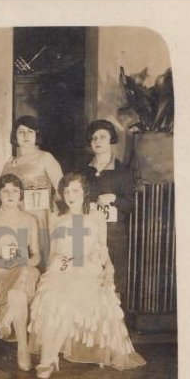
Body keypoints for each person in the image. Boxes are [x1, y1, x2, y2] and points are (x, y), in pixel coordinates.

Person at [28, 173, 145, 378]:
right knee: (50, 301)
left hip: (87, 268)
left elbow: (102, 247)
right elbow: (53, 252)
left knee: (68, 301)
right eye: (66, 191)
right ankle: (49, 357)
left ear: (85, 193)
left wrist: (109, 266)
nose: (70, 195)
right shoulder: (56, 216)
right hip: (61, 267)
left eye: (75, 190)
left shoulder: (96, 216)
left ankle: (48, 359)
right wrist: (51, 273)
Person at [0, 174, 41, 372]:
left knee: (22, 280)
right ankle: (22, 346)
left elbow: (37, 255)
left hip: (21, 268)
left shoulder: (29, 220)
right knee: (17, 290)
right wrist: (2, 263)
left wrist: (27, 261)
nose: (10, 195)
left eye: (14, 191)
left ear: (21, 194)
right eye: (5, 191)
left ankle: (7, 325)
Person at [79, 119, 136, 308]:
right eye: (94, 138)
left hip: (114, 234)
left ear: (111, 140)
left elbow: (131, 203)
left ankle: (115, 320)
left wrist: (114, 198)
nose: (98, 141)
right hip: (88, 233)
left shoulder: (123, 172)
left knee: (114, 281)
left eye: (103, 137)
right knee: (88, 278)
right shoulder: (84, 172)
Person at [2, 116, 63, 267]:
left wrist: (51, 208)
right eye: (21, 132)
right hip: (16, 217)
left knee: (41, 258)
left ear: (37, 135)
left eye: (30, 131)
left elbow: (62, 189)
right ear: (15, 136)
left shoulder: (45, 157)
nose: (25, 135)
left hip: (40, 217)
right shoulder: (9, 163)